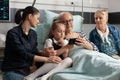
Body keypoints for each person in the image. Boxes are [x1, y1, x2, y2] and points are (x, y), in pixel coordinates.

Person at [1, 6, 62, 80]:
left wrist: (45, 53)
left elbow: (34, 52)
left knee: (56, 63)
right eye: (37, 18)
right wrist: (47, 59)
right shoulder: (13, 33)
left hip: (27, 72)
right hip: (13, 71)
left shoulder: (33, 34)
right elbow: (23, 54)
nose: (38, 21)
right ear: (30, 16)